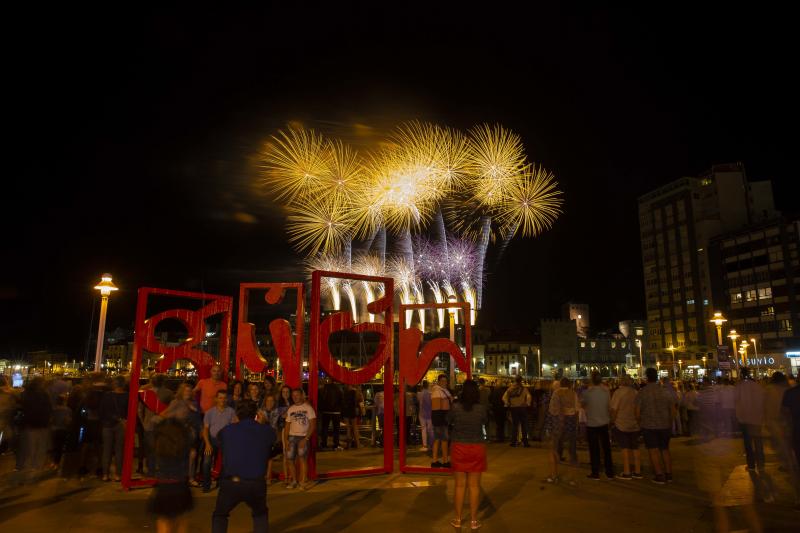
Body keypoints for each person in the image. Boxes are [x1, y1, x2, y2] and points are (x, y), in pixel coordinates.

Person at [211, 399, 277, 533]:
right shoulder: (265, 430)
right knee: (260, 514)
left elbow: (218, 439)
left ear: (237, 414)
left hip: (231, 482)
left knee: (220, 514)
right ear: (256, 414)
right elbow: (273, 437)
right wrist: (264, 422)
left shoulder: (227, 431)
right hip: (255, 482)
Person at [447, 380, 487, 531]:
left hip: (459, 447)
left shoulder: (456, 407)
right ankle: (474, 521)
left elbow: (448, 420)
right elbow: (485, 422)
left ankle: (457, 519)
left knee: (459, 485)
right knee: (474, 486)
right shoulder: (481, 409)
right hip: (476, 447)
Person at [147, 417, 193, 533]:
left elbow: (151, 428)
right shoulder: (183, 445)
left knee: (163, 520)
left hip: (164, 486)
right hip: (180, 485)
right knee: (181, 518)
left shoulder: (158, 446)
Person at [635, 367, 676, 484]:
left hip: (649, 426)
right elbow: (673, 409)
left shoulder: (642, 392)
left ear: (647, 378)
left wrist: (640, 422)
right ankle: (669, 474)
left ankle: (659, 474)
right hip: (664, 425)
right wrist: (670, 422)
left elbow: (637, 412)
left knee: (653, 450)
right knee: (665, 449)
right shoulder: (665, 391)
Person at [162, 383, 203, 486]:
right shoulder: (176, 402)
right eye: (186, 391)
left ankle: (191, 477)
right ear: (182, 391)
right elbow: (165, 414)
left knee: (192, 455)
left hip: (191, 432)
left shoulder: (194, 403)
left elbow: (198, 418)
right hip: (179, 432)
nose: (188, 393)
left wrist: (201, 429)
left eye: (190, 391)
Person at [202, 389, 236, 492]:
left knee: (226, 462)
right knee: (207, 462)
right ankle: (206, 485)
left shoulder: (231, 411)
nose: (222, 400)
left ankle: (222, 482)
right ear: (216, 399)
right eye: (220, 398)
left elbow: (235, 426)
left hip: (225, 441)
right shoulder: (209, 412)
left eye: (224, 398)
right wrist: (207, 444)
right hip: (212, 440)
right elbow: (205, 430)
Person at [582, 371, 614, 480]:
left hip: (592, 423)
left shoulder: (587, 393)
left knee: (594, 449)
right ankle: (609, 471)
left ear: (591, 380)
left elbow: (582, 404)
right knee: (606, 448)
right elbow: (609, 407)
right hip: (604, 422)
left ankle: (595, 472)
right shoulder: (606, 392)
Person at [16, 377, 52, 471]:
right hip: (39, 424)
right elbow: (48, 409)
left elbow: (21, 407)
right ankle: (34, 468)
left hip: (30, 424)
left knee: (29, 449)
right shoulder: (44, 394)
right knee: (37, 448)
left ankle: (27, 468)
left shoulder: (26, 394)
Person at [546, 378, 578, 484]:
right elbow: (577, 410)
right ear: (569, 385)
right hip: (571, 424)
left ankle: (554, 475)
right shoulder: (573, 393)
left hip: (557, 425)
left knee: (552, 450)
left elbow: (552, 411)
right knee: (571, 451)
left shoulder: (556, 393)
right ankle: (572, 478)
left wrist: (549, 427)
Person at [609, 374, 642, 479]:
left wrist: (612, 421)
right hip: (634, 424)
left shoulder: (618, 393)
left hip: (622, 423)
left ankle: (627, 471)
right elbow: (638, 410)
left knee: (625, 448)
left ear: (622, 382)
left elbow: (614, 409)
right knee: (635, 448)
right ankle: (637, 471)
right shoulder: (636, 393)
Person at [734, 367, 765, 472]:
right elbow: (762, 401)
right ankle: (761, 464)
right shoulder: (757, 386)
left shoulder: (739, 386)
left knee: (748, 443)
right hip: (756, 418)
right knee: (758, 442)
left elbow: (736, 401)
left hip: (745, 419)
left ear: (741, 374)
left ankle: (751, 465)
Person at [284, 388, 316, 489]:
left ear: (302, 395)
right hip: (292, 437)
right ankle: (294, 480)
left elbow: (313, 425)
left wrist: (306, 439)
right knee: (290, 459)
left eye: (297, 395)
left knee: (302, 459)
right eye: (293, 395)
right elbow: (287, 426)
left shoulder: (308, 408)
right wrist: (286, 440)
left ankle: (303, 481)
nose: (295, 397)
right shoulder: (291, 409)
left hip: (303, 437)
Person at [99, 375, 129, 481]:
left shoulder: (107, 396)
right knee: (119, 450)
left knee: (106, 450)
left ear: (114, 384)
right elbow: (128, 412)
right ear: (124, 384)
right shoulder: (127, 396)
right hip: (121, 425)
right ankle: (118, 475)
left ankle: (105, 474)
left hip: (107, 425)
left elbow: (102, 411)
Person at [258, 394, 285, 484]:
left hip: (272, 436)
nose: (270, 403)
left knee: (270, 458)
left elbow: (290, 408)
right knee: (262, 458)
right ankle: (262, 476)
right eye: (268, 401)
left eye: (272, 401)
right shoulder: (260, 411)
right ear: (265, 402)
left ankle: (268, 477)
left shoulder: (277, 411)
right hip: (261, 437)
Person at [430, 374, 453, 468]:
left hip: (441, 418)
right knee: (443, 440)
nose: (444, 383)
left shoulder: (442, 391)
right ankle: (444, 461)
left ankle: (436, 461)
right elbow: (436, 408)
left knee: (439, 440)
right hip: (440, 418)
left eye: (445, 381)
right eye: (442, 381)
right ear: (438, 382)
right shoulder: (437, 391)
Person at [503, 376, 532, 447]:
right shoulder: (524, 389)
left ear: (515, 380)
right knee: (524, 425)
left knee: (514, 426)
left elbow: (504, 397)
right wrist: (527, 403)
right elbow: (528, 396)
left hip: (513, 408)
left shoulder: (510, 389)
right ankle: (525, 442)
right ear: (521, 380)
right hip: (522, 408)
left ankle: (513, 442)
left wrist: (507, 403)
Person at [319, 377, 343, 450]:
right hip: (336, 411)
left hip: (326, 411)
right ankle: (336, 444)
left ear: (329, 380)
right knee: (336, 429)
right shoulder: (339, 388)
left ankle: (324, 444)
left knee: (325, 428)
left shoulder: (324, 388)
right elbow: (341, 400)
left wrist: (322, 408)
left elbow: (321, 399)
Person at [51, 395, 72, 471]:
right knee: (60, 447)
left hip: (54, 430)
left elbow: (51, 420)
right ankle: (58, 463)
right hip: (63, 430)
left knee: (55, 446)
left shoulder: (54, 409)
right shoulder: (68, 410)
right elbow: (68, 421)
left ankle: (53, 462)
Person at [342, 384, 363, 449]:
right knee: (354, 427)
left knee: (348, 428)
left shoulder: (345, 392)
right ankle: (358, 444)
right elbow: (360, 401)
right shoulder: (356, 392)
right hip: (352, 410)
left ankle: (349, 445)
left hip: (345, 410)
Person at [417, 380, 433, 451]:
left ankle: (425, 445)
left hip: (421, 413)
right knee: (430, 430)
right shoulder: (430, 393)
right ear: (428, 385)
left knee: (423, 429)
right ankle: (431, 445)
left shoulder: (419, 394)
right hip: (430, 413)